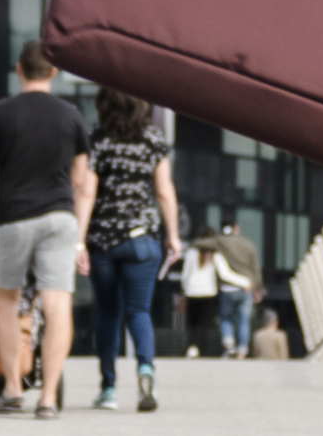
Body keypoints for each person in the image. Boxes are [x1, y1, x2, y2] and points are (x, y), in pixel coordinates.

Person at [0, 42, 95, 416]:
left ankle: (12, 388)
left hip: (13, 217)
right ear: (53, 73)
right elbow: (81, 178)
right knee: (57, 304)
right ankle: (49, 398)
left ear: (18, 70)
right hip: (59, 218)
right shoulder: (71, 115)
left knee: (6, 301)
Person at [83, 88, 181, 411]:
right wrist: (174, 236)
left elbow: (87, 191)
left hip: (103, 241)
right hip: (143, 240)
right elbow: (164, 191)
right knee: (139, 311)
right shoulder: (153, 139)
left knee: (108, 313)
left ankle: (108, 388)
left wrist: (78, 239)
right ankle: (145, 369)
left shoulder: (97, 138)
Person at [203, 218, 262, 360]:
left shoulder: (220, 242)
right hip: (245, 288)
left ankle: (229, 345)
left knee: (225, 318)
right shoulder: (248, 245)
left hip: (227, 289)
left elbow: (200, 244)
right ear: (236, 228)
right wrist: (258, 288)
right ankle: (242, 351)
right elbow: (256, 269)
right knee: (243, 320)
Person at [177, 229, 229, 358]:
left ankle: (191, 346)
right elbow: (224, 273)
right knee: (204, 324)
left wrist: (183, 290)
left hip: (192, 291)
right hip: (208, 292)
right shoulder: (215, 254)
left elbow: (185, 274)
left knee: (191, 323)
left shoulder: (191, 252)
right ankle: (202, 349)